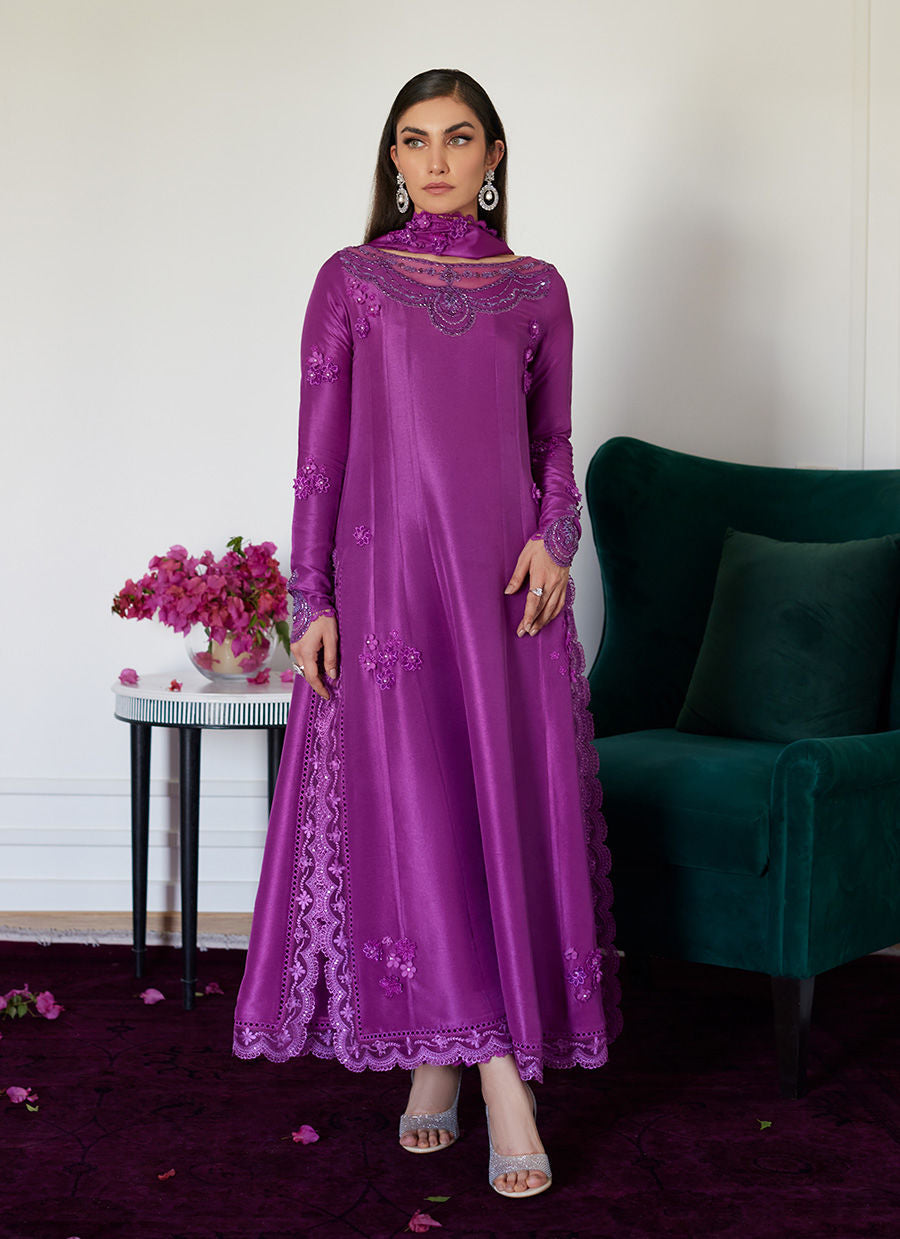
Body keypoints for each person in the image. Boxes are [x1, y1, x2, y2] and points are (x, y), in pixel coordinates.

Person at [232, 67, 622, 1199]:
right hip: (388, 598)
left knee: (491, 816)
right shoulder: (351, 280)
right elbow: (318, 458)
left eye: (459, 138)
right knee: (421, 818)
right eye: (415, 140)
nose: (437, 159)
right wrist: (309, 599)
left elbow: (555, 441)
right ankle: (499, 1077)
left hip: (506, 595)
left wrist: (557, 538)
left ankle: (443, 1062)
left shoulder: (536, 288)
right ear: (392, 159)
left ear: (493, 156)